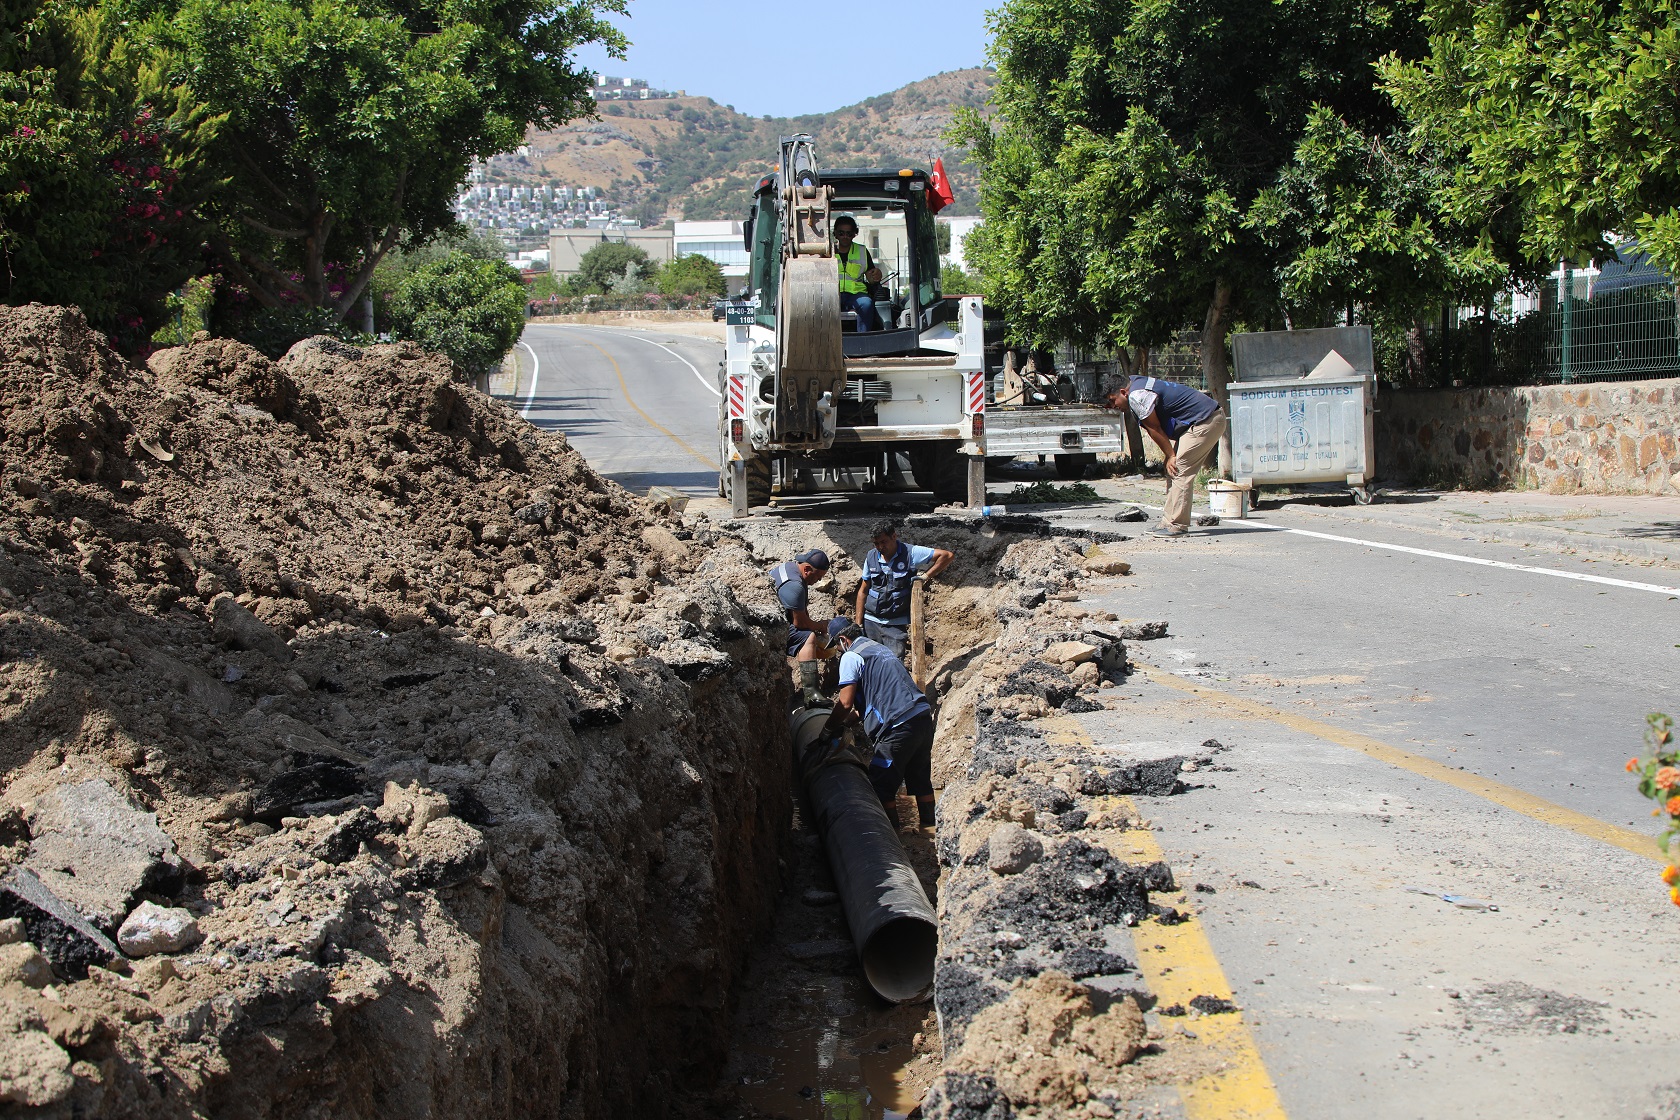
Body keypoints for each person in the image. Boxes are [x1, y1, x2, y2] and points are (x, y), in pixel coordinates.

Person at [827, 620, 936, 828]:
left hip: (898, 726)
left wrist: (828, 729)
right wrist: (848, 724)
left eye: (836, 646)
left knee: (880, 784)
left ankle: (893, 839)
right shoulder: (877, 648)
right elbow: (871, 700)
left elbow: (845, 702)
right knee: (921, 780)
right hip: (921, 718)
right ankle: (929, 828)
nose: (838, 651)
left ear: (843, 640)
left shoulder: (851, 656)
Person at [1109, 374, 1228, 538]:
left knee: (1180, 469)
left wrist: (1171, 455)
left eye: (1113, 400)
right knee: (1172, 469)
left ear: (1123, 392)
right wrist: (1169, 455)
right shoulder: (1137, 384)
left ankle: (1177, 525)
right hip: (1199, 421)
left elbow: (1154, 428)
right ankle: (1168, 522)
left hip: (1206, 420)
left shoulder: (1136, 396)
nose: (1114, 406)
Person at [854, 521, 953, 660]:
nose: (880, 547)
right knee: (870, 664)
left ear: (894, 536)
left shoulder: (910, 553)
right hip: (871, 622)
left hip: (895, 624)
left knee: (894, 663)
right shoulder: (871, 557)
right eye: (876, 544)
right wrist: (858, 624)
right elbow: (863, 591)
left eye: (884, 542)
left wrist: (925, 576)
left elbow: (946, 556)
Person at [767, 549, 834, 705]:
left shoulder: (789, 567)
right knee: (808, 638)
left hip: (774, 615)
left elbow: (800, 611)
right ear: (807, 569)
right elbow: (799, 622)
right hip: (772, 626)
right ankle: (811, 695)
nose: (818, 581)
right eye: (817, 577)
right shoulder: (795, 586)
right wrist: (820, 626)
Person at [834, 215, 882, 333]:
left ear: (854, 234)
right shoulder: (827, 251)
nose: (845, 236)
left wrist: (876, 275)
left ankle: (863, 339)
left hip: (856, 294)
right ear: (835, 233)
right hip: (833, 293)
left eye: (849, 233)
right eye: (841, 233)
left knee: (867, 304)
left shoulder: (862, 251)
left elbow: (871, 277)